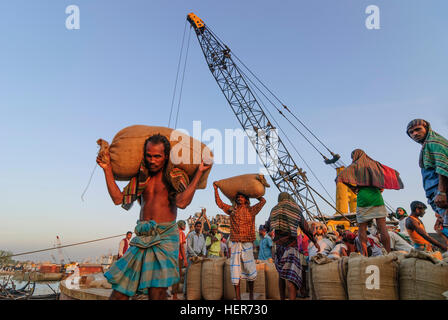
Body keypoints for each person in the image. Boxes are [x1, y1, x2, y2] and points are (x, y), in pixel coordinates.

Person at [97, 134, 211, 300]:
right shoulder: (141, 178)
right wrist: (107, 169)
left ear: (166, 157)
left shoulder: (176, 176)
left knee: (156, 293)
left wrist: (199, 172)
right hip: (141, 237)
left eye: (157, 156)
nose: (152, 160)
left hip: (164, 238)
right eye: (149, 156)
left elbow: (182, 202)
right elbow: (118, 199)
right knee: (119, 293)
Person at [336, 149, 404, 256]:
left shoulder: (355, 166)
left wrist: (353, 188)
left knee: (362, 228)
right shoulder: (375, 165)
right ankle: (387, 254)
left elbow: (340, 177)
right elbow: (388, 175)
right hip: (376, 197)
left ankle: (364, 255)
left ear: (355, 156)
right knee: (382, 227)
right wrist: (381, 188)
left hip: (363, 197)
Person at [214, 183, 266, 300]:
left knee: (250, 269)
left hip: (247, 242)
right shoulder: (232, 210)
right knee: (235, 270)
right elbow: (220, 204)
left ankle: (251, 295)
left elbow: (263, 201)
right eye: (238, 197)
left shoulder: (252, 210)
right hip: (236, 242)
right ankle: (238, 297)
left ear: (246, 199)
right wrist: (216, 189)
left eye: (242, 197)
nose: (239, 198)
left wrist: (255, 193)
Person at [269, 192, 319, 300]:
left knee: (281, 276)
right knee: (291, 278)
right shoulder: (296, 210)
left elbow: (268, 225)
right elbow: (306, 228)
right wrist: (315, 241)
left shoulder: (274, 209)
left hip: (279, 248)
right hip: (291, 247)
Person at [407, 119, 448, 238]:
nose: (414, 134)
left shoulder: (433, 142)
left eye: (418, 129)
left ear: (427, 128)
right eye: (411, 132)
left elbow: (443, 168)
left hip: (442, 193)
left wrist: (442, 192)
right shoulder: (427, 145)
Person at [172, 220, 188, 300]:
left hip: (171, 257)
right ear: (181, 225)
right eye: (184, 225)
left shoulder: (173, 233)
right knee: (177, 276)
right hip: (178, 257)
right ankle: (174, 296)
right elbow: (181, 246)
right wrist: (185, 259)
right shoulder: (181, 233)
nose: (185, 226)